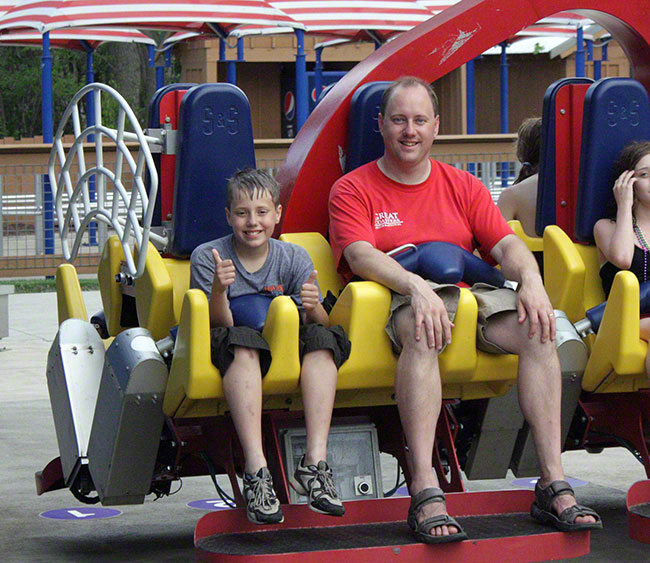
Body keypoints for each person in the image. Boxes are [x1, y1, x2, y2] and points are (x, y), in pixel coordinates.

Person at [328, 76, 601, 543]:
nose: (408, 130)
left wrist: (531, 281)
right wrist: (415, 286)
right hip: (398, 297)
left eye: (418, 120)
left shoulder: (463, 185)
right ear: (380, 125)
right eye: (398, 120)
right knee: (422, 325)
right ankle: (425, 488)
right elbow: (359, 255)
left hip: (471, 298)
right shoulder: (352, 189)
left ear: (435, 126)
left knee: (539, 328)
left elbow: (507, 243)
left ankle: (552, 481)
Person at [190, 168, 350, 524]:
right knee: (242, 341)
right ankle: (257, 470)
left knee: (325, 341)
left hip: (285, 344)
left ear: (277, 214)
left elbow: (320, 324)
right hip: (234, 342)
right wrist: (219, 290)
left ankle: (315, 463)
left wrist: (315, 306)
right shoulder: (209, 256)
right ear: (228, 216)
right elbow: (218, 326)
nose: (253, 222)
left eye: (262, 212)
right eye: (243, 213)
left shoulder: (293, 258)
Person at [593, 140, 650, 377]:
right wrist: (624, 205)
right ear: (627, 182)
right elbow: (623, 259)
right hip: (622, 322)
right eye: (645, 174)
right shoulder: (606, 227)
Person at [497, 117, 542, 238]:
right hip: (575, 256)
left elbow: (495, 241)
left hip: (527, 256)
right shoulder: (579, 189)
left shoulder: (511, 195)